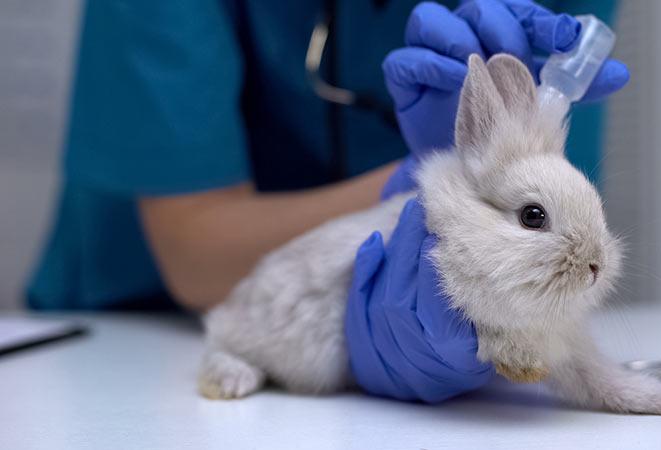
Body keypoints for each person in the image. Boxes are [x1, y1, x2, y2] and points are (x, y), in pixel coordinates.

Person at [27, 0, 628, 401]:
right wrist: (422, 181)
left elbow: (561, 201)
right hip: (125, 339)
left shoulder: (547, 37)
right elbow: (194, 248)